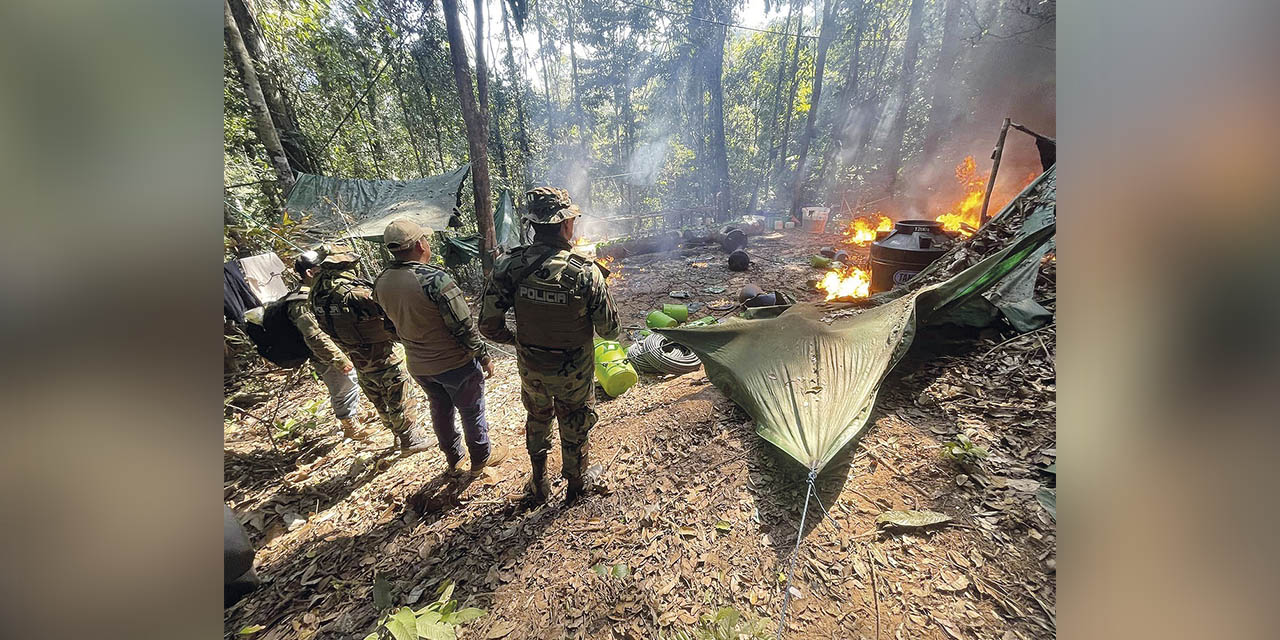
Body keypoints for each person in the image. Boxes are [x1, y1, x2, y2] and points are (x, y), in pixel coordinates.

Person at [478, 187, 620, 504]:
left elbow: (488, 324)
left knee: (538, 419)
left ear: (532, 225)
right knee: (575, 422)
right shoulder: (586, 273)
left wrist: (518, 341)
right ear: (565, 225)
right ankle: (575, 485)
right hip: (575, 374)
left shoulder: (508, 266)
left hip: (533, 369)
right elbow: (610, 332)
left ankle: (539, 483)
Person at [372, 220, 508, 475]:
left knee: (440, 409)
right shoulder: (433, 279)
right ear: (420, 244)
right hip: (455, 363)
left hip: (419, 365)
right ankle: (481, 458)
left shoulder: (381, 282)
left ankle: (454, 459)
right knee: (471, 410)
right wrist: (484, 356)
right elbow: (463, 325)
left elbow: (389, 328)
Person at [308, 250, 430, 452]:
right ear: (347, 267)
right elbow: (388, 307)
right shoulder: (354, 293)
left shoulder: (316, 294)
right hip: (382, 353)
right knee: (399, 396)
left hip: (357, 357)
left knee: (379, 398)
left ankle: (398, 437)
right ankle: (410, 439)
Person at [288, 251, 371, 440]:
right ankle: (350, 425)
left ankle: (353, 415)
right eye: (322, 268)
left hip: (338, 347)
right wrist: (338, 359)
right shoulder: (301, 301)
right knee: (344, 385)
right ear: (310, 272)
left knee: (351, 382)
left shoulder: (319, 292)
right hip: (325, 356)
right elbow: (314, 335)